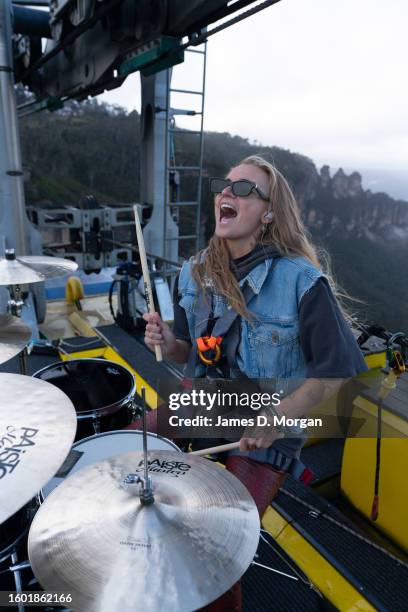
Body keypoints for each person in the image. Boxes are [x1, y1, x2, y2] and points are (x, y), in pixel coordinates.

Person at [138, 155, 368, 611]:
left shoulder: (302, 281)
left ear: (268, 213)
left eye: (245, 190)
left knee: (219, 546)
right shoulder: (195, 270)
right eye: (226, 186)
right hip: (208, 401)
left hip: (267, 419)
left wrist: (278, 416)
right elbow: (186, 347)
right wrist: (167, 340)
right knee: (127, 450)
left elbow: (335, 371)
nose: (228, 193)